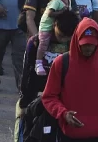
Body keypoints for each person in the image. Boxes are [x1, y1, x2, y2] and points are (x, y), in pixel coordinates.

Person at [42, 18, 98, 142]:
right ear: (76, 40)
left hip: (97, 135)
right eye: (85, 44)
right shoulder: (61, 63)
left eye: (92, 44)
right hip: (68, 135)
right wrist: (63, 113)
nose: (89, 48)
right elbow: (49, 97)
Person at [16, 10, 80, 142]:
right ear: (54, 24)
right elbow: (27, 73)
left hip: (60, 101)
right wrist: (24, 102)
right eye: (61, 35)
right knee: (25, 131)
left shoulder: (74, 46)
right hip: (35, 95)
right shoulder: (35, 43)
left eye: (67, 37)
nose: (63, 39)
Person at [35, 0, 75, 76]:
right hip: (46, 26)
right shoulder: (57, 1)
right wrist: (61, 12)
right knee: (43, 44)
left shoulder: (69, 1)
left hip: (57, 27)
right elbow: (50, 13)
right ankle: (38, 62)